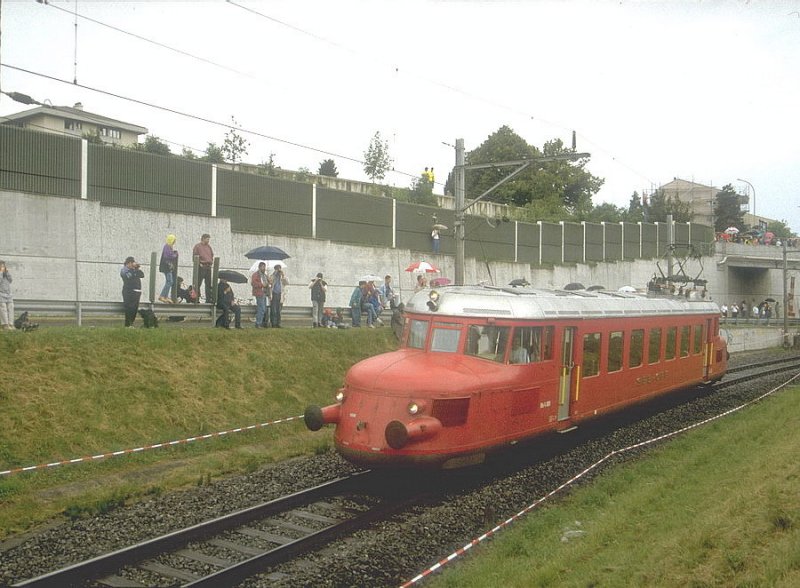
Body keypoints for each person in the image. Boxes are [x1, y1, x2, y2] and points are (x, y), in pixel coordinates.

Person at [120, 256, 145, 327]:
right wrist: (134, 271)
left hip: (137, 291)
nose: (132, 265)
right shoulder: (124, 270)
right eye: (131, 263)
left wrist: (136, 269)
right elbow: (129, 277)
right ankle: (128, 324)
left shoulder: (134, 270)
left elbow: (142, 275)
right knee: (129, 308)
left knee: (134, 309)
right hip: (129, 291)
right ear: (128, 263)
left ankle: (131, 324)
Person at [192, 233, 214, 302]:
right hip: (201, 266)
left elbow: (212, 255)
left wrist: (211, 262)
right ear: (203, 238)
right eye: (207, 239)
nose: (208, 241)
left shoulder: (209, 247)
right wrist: (199, 264)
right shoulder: (197, 246)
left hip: (208, 266)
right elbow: (195, 256)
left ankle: (208, 299)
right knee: (198, 283)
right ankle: (196, 298)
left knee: (208, 284)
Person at [158, 234, 178, 303]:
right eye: (174, 240)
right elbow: (168, 256)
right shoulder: (167, 246)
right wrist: (175, 255)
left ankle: (165, 296)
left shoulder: (169, 247)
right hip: (166, 267)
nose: (174, 242)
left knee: (169, 281)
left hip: (167, 267)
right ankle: (162, 296)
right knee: (170, 281)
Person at [251, 262, 270, 328]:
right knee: (261, 308)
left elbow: (268, 283)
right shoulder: (255, 274)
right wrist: (262, 285)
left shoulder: (264, 275)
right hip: (259, 293)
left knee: (263, 309)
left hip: (264, 293)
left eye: (265, 267)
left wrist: (269, 281)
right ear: (259, 267)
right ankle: (258, 323)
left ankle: (260, 322)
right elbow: (253, 283)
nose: (264, 268)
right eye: (263, 267)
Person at [0, 260, 14, 331]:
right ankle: (5, 325)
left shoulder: (6, 273)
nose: (3, 267)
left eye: (4, 266)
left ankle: (11, 324)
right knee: (3, 309)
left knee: (11, 308)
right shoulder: (1, 274)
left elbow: (11, 280)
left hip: (9, 294)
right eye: (1, 266)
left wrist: (7, 272)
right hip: (1, 294)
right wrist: (1, 272)